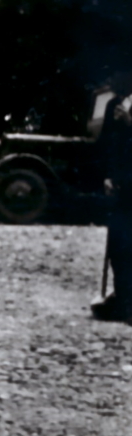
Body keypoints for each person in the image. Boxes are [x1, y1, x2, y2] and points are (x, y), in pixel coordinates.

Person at [93, 70, 132, 323]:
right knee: (119, 243)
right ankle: (123, 299)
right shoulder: (114, 105)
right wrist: (108, 176)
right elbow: (108, 144)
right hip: (123, 184)